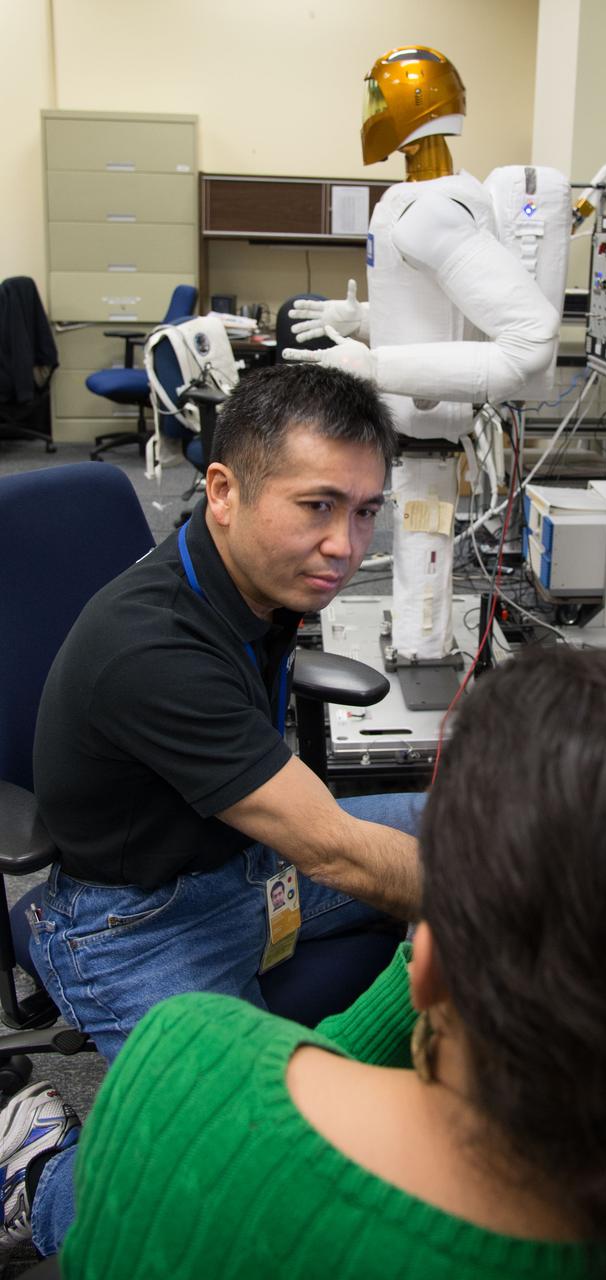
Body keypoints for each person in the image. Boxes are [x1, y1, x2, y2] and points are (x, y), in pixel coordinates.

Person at [50, 647, 606, 1278]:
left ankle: (35, 1173)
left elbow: (272, 1113)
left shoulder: (184, 1066)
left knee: (86, 1184)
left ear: (430, 963)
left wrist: (445, 947)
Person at [2, 362, 426, 1253]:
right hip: (135, 922)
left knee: (462, 825)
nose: (347, 545)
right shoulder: (152, 646)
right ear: (224, 492)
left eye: (364, 509)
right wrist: (520, 911)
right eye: (317, 506)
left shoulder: (252, 579)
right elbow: (339, 854)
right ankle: (37, 1172)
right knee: (217, 1188)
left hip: (244, 863)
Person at [284, 46, 566, 664]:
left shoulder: (430, 210)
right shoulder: (424, 199)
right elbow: (442, 306)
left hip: (429, 430)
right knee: (411, 544)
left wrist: (377, 366)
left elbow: (531, 336)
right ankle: (419, 642)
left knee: (423, 556)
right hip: (412, 427)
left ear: (415, 106)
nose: (371, 113)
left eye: (379, 99)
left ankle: (425, 655)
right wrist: (359, 321)